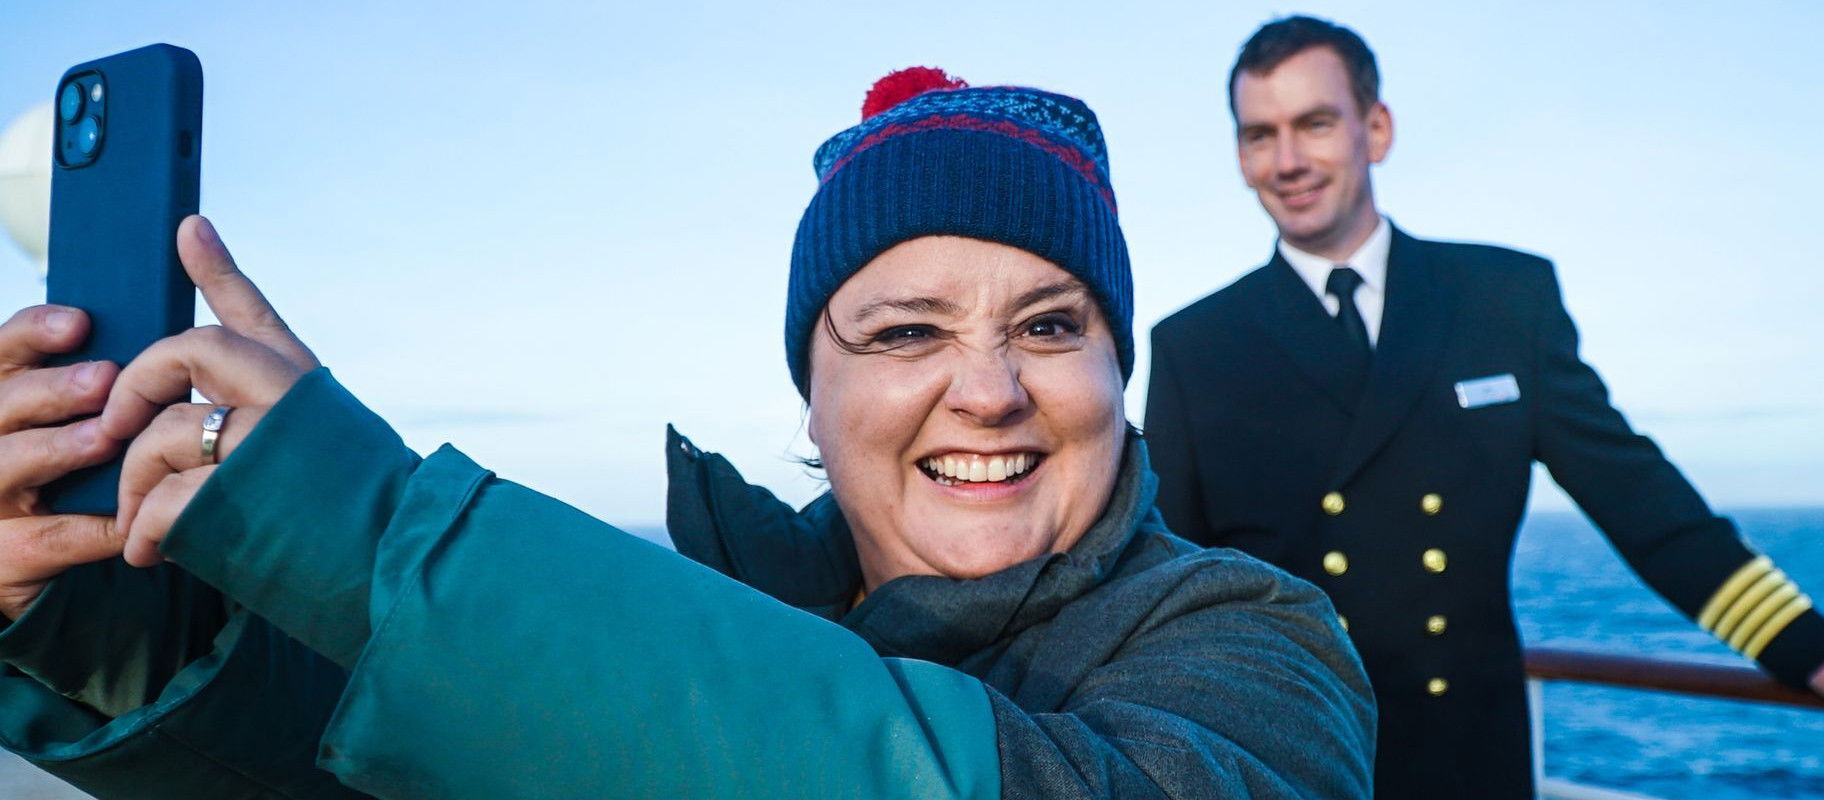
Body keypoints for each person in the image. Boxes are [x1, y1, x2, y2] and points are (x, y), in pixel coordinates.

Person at [0, 69, 1374, 798]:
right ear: (811, 394)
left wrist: (374, 544)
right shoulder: (717, 603)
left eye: (1053, 325)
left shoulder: (1255, 642)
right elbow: (386, 764)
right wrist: (99, 615)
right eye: (904, 334)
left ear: (1117, 371)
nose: (992, 389)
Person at [1143, 16, 1824, 800]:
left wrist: (1815, 650)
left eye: (1314, 124)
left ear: (1375, 130)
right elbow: (1168, 585)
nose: (1287, 161)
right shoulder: (1195, 346)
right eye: (1258, 135)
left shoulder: (1502, 300)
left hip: (1471, 759)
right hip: (1293, 766)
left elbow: (1640, 500)